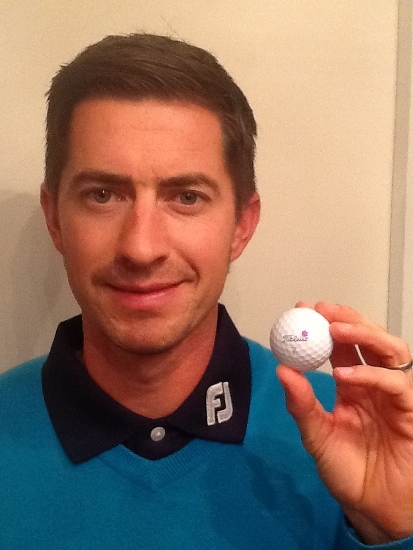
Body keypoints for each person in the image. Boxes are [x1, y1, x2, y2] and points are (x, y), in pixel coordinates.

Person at [0, 33, 412, 549]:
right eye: (102, 195)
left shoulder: (355, 438)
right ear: (55, 219)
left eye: (187, 197)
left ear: (242, 224)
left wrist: (394, 529)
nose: (142, 248)